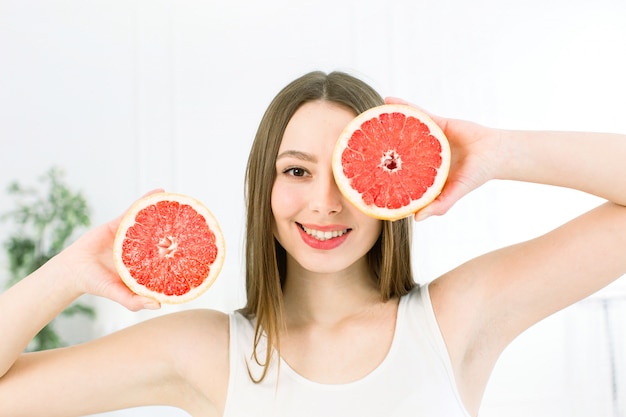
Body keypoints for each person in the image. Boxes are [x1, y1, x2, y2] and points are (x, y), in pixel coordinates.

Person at [1, 70, 625, 417]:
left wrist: (498, 152)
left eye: (349, 172)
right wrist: (71, 271)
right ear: (264, 189)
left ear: (390, 188)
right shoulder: (203, 352)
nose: (326, 201)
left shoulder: (453, 321)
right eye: (296, 171)